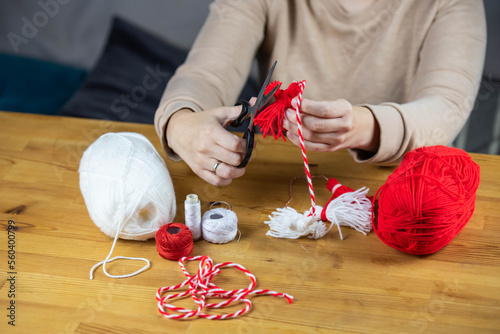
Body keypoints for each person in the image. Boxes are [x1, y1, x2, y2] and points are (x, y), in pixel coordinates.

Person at [154, 0, 486, 186]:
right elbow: (206, 72)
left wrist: (362, 126)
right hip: (285, 182)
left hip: (402, 183)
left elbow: (446, 106)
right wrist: (181, 123)